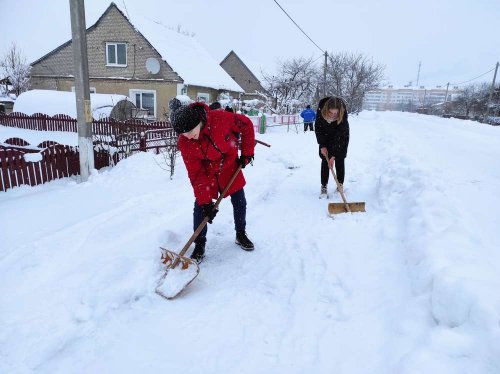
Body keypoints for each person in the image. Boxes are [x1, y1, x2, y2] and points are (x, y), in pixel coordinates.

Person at [171, 102, 256, 263]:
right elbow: (196, 174)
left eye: (190, 131)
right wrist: (205, 203)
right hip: (208, 174)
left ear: (198, 122)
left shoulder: (221, 119)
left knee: (240, 202)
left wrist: (246, 153)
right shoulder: (185, 142)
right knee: (200, 209)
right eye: (183, 134)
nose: (188, 136)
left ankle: (240, 234)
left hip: (230, 167)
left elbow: (246, 124)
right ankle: (199, 244)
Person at [314, 96, 350, 198]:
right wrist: (322, 145)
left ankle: (340, 185)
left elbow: (341, 136)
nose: (334, 115)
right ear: (326, 110)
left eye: (336, 113)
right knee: (325, 161)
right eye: (331, 112)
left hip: (341, 138)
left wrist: (334, 156)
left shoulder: (342, 116)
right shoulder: (321, 112)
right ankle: (324, 185)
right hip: (325, 137)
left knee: (339, 159)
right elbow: (318, 129)